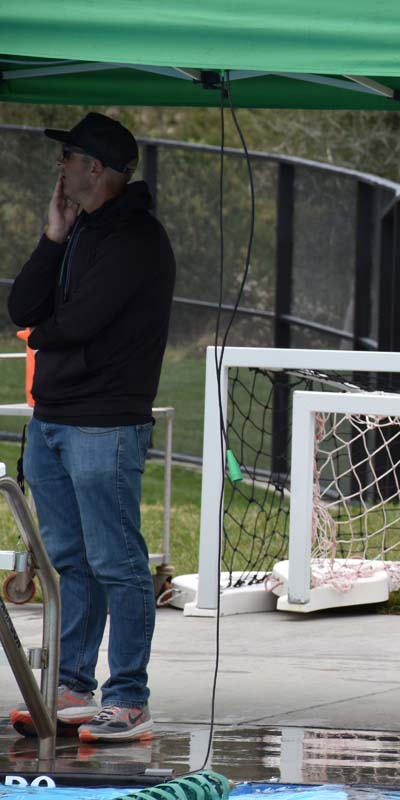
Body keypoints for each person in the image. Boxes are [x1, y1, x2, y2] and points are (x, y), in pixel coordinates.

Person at [7, 113, 176, 743]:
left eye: (70, 157)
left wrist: (43, 337)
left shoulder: (135, 239)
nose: (61, 167)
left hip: (104, 424)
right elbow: (25, 308)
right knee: (70, 560)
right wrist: (52, 239)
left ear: (96, 169)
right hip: (53, 420)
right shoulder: (81, 231)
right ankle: (73, 684)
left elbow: (74, 325)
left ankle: (128, 698)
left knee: (117, 560)